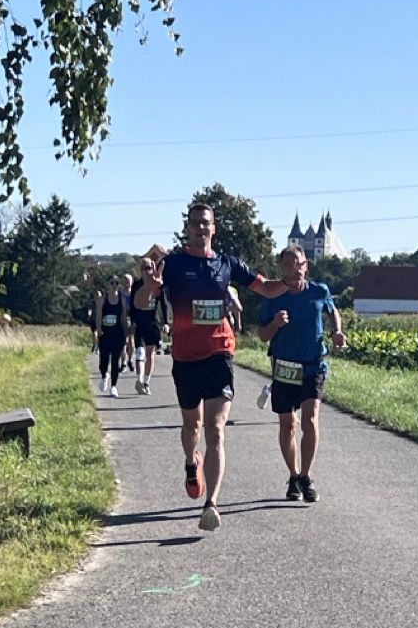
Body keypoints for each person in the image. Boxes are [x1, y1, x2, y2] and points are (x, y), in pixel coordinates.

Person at [135, 202, 289, 531]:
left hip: (220, 352)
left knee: (215, 429)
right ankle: (192, 463)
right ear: (188, 228)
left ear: (213, 228)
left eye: (205, 223)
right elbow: (141, 302)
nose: (201, 228)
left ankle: (212, 503)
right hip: (185, 358)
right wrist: (148, 284)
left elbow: (266, 287)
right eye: (195, 223)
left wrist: (291, 281)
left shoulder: (226, 264)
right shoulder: (173, 264)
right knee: (192, 427)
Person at [257, 246, 346, 502]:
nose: (293, 268)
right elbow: (262, 335)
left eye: (297, 263)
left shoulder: (319, 291)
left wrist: (337, 332)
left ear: (305, 265)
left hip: (313, 365)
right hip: (285, 367)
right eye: (287, 264)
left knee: (310, 421)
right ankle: (293, 476)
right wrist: (275, 324)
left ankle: (306, 476)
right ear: (281, 268)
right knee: (288, 425)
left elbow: (332, 311)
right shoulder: (273, 296)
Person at [131, 256, 166, 393]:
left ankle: (146, 382)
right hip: (140, 322)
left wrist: (166, 322)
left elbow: (163, 304)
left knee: (150, 352)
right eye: (144, 268)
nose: (146, 271)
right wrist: (132, 321)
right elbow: (132, 305)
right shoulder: (136, 285)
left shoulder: (158, 284)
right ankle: (139, 380)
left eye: (149, 268)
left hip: (153, 322)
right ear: (140, 270)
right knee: (140, 351)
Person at [95, 276, 129, 397]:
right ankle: (104, 375)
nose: (114, 285)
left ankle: (114, 386)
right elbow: (98, 316)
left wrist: (126, 334)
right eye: (112, 283)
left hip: (117, 333)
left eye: (117, 283)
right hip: (105, 333)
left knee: (115, 360)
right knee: (104, 360)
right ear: (108, 285)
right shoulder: (103, 299)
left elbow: (124, 318)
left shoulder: (122, 300)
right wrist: (99, 329)